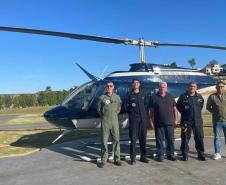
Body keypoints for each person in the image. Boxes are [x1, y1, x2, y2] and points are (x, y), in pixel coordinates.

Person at [176, 81, 206, 161]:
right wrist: (186, 114)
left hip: (197, 121)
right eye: (190, 86)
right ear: (188, 87)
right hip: (186, 121)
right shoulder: (183, 96)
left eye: (193, 86)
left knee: (199, 137)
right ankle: (184, 154)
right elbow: (178, 107)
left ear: (196, 88)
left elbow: (201, 106)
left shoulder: (199, 97)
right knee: (185, 138)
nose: (192, 87)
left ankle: (200, 154)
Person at [149, 82, 178, 162]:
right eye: (161, 87)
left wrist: (176, 119)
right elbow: (151, 111)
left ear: (166, 88)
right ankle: (160, 154)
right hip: (159, 123)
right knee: (159, 139)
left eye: (164, 87)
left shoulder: (171, 96)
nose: (163, 88)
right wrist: (151, 121)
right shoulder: (154, 97)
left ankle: (170, 154)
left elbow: (174, 109)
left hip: (170, 122)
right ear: (159, 87)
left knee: (170, 139)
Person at [97, 82, 122, 168]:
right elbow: (98, 110)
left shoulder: (117, 97)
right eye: (107, 86)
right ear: (106, 87)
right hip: (105, 121)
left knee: (116, 140)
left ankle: (117, 159)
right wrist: (104, 116)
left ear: (113, 87)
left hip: (114, 121)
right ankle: (104, 159)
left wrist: (116, 112)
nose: (109, 87)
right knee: (104, 140)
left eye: (110, 86)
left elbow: (119, 107)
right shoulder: (102, 98)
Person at [125, 79, 149, 165]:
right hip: (134, 120)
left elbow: (146, 105)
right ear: (132, 85)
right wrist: (131, 113)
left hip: (143, 119)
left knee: (143, 139)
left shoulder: (144, 94)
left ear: (139, 84)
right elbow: (126, 105)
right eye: (134, 83)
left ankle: (143, 156)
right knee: (133, 139)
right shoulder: (129, 95)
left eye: (137, 83)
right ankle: (133, 158)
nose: (136, 84)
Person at [206, 81, 226, 160]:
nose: (220, 88)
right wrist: (214, 113)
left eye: (222, 86)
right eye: (219, 86)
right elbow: (208, 107)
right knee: (217, 137)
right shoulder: (212, 96)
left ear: (224, 87)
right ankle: (217, 153)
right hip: (217, 121)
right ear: (216, 87)